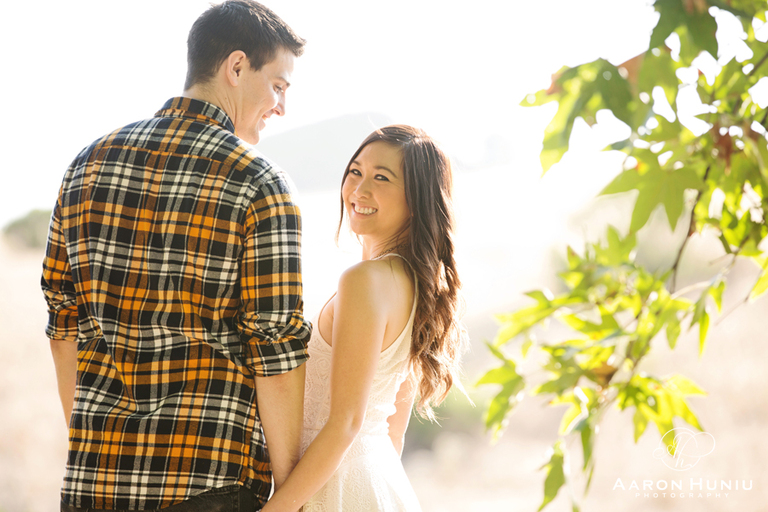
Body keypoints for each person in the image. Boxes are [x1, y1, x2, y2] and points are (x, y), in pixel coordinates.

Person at [41, 2, 311, 510]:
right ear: (236, 67)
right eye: (278, 86)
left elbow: (63, 328)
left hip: (93, 483)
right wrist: (291, 493)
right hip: (209, 483)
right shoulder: (260, 183)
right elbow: (274, 349)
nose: (281, 107)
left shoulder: (85, 165)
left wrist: (91, 448)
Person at [262, 125, 466, 511]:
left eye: (381, 178)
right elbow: (394, 432)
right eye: (355, 171)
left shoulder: (364, 281)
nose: (360, 189)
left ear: (417, 199)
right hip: (377, 480)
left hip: (336, 485)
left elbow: (345, 424)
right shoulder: (419, 286)